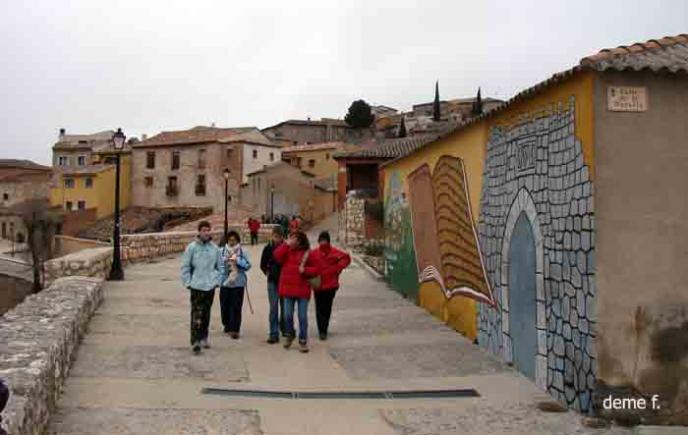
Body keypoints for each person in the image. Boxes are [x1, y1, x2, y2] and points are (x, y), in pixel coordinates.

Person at [273, 231, 320, 353]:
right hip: (288, 289)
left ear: (300, 241)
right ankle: (290, 334)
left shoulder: (308, 253)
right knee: (287, 316)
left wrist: (305, 270)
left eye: (295, 238)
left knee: (302, 316)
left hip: (302, 289)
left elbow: (316, 269)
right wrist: (285, 245)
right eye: (291, 237)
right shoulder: (286, 250)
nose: (292, 240)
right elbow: (277, 256)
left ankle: (303, 340)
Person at [181, 220, 222, 355]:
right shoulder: (192, 248)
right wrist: (188, 282)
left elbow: (220, 266)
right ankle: (195, 340)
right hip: (196, 285)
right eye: (204, 230)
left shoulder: (214, 249)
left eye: (208, 230)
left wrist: (217, 280)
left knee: (206, 313)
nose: (206, 233)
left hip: (209, 285)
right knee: (196, 313)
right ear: (199, 232)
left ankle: (204, 336)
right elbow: (185, 266)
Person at [310, 231, 351, 340]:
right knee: (319, 308)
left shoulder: (334, 252)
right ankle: (321, 330)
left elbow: (346, 258)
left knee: (327, 308)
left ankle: (324, 328)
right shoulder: (314, 253)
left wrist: (337, 269)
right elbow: (306, 262)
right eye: (321, 240)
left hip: (330, 285)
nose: (323, 242)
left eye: (324, 240)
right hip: (318, 285)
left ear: (328, 241)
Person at [218, 230, 251, 339]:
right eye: (230, 240)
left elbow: (247, 265)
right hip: (225, 282)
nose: (232, 242)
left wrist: (237, 260)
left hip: (238, 283)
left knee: (236, 306)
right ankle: (227, 324)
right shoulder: (221, 251)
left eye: (234, 240)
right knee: (225, 306)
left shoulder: (242, 252)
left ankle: (235, 329)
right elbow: (217, 265)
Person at [260, 226, 286, 343]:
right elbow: (262, 264)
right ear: (272, 236)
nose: (277, 239)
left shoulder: (286, 248)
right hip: (272, 282)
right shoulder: (267, 248)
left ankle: (284, 327)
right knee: (274, 307)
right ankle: (274, 333)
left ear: (282, 237)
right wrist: (267, 272)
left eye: (279, 237)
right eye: (275, 236)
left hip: (285, 281)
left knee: (285, 307)